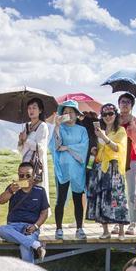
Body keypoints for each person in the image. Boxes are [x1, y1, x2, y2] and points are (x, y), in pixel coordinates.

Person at [87, 103, 130, 239]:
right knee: (102, 197)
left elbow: (117, 148)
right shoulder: (100, 131)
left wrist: (104, 137)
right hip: (102, 167)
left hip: (115, 168)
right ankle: (105, 231)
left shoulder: (121, 130)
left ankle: (122, 231)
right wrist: (95, 150)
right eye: (104, 114)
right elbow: (103, 149)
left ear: (115, 115)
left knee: (118, 197)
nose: (108, 117)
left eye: (110, 113)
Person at [49, 100, 89, 239]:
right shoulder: (59, 128)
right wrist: (57, 127)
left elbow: (83, 148)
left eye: (71, 112)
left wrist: (67, 147)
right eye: (65, 112)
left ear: (77, 114)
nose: (68, 115)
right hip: (63, 168)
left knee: (78, 199)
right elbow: (56, 146)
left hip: (77, 169)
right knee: (60, 198)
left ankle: (79, 228)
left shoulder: (82, 130)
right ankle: (58, 228)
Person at [0, 162, 49, 264]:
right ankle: (36, 245)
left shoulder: (40, 190)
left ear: (33, 176)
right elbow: (1, 200)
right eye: (21, 175)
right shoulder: (12, 187)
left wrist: (36, 226)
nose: (24, 178)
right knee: (1, 230)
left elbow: (44, 212)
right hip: (13, 226)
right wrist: (11, 191)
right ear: (18, 175)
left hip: (30, 227)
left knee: (25, 246)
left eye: (28, 175)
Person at [118, 93, 136, 235]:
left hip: (132, 160)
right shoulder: (114, 119)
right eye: (122, 101)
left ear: (132, 106)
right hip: (116, 160)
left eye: (128, 102)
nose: (125, 104)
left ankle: (132, 223)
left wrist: (131, 125)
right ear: (118, 104)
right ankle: (118, 220)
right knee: (118, 192)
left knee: (132, 193)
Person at [17, 98, 50, 199]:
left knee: (36, 192)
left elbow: (41, 148)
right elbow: (20, 150)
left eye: (34, 108)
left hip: (36, 164)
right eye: (29, 108)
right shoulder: (26, 126)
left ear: (40, 110)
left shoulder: (43, 126)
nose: (31, 110)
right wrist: (20, 141)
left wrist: (26, 139)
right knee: (25, 190)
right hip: (25, 164)